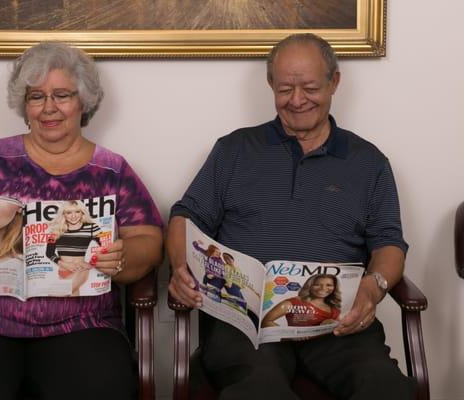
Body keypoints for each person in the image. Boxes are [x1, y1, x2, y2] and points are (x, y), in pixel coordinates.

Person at [167, 33, 415, 399]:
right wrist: (179, 269)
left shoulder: (369, 162)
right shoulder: (234, 149)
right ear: (270, 85)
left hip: (335, 320)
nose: (297, 100)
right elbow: (185, 217)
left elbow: (389, 244)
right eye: (285, 89)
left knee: (386, 388)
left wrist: (373, 286)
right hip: (248, 323)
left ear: (334, 82)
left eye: (310, 87)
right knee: (258, 390)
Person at [0, 42, 163, 400]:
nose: (49, 108)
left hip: (80, 324)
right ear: (24, 105)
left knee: (99, 386)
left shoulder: (112, 169)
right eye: (36, 96)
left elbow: (148, 237)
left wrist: (122, 256)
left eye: (62, 95)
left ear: (83, 102)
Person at [45, 200, 102, 295]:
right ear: (64, 214)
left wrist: (93, 262)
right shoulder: (55, 230)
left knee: (53, 295)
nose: (73, 216)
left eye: (77, 211)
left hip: (80, 270)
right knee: (73, 301)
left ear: (82, 212)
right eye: (69, 212)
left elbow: (106, 246)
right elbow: (49, 253)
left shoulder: (92, 228)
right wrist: (63, 264)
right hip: (62, 272)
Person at [261, 274, 341, 328]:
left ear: (334, 288)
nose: (323, 288)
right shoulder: (292, 303)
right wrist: (290, 334)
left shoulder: (334, 306)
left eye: (329, 285)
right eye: (317, 284)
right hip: (296, 346)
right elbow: (266, 322)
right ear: (309, 286)